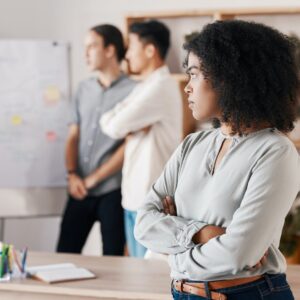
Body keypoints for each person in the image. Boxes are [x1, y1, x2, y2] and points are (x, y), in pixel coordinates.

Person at [134, 20, 300, 299]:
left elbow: (238, 254)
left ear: (231, 78)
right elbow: (144, 224)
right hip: (183, 293)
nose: (187, 87)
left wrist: (173, 257)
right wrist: (202, 233)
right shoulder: (192, 144)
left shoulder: (276, 152)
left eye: (195, 75)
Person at [100, 20, 182, 257]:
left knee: (147, 277)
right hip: (134, 196)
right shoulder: (145, 86)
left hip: (150, 199)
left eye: (132, 47)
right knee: (138, 272)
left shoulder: (161, 86)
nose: (127, 55)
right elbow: (108, 121)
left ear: (149, 50)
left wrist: (127, 125)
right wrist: (131, 125)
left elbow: (115, 125)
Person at [57, 24, 136, 255]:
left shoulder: (135, 91)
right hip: (78, 188)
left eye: (91, 46)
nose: (86, 54)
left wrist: (94, 179)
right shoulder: (83, 89)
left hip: (112, 191)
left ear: (110, 49)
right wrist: (73, 175)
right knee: (64, 253)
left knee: (113, 260)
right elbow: (73, 136)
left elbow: (129, 145)